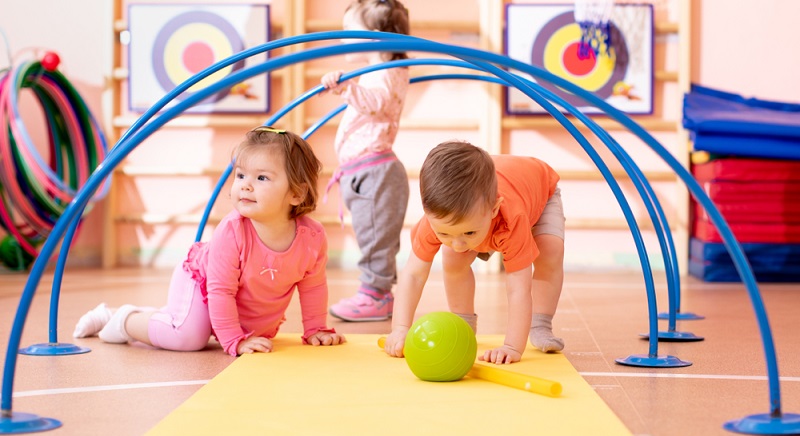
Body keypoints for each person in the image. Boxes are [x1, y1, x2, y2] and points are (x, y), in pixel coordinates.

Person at [74, 126, 346, 356]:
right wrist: (234, 341)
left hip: (237, 305)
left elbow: (313, 287)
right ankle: (121, 318)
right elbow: (220, 292)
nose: (246, 185)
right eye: (241, 175)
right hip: (201, 282)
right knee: (189, 338)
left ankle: (166, 316)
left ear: (296, 195)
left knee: (251, 332)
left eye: (261, 177)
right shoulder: (232, 230)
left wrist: (316, 329)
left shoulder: (312, 238)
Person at [383, 140, 565, 364]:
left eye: (468, 233)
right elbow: (413, 275)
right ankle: (464, 323)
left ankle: (541, 324)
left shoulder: (511, 219)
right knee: (452, 257)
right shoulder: (433, 223)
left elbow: (518, 287)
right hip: (496, 192)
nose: (458, 244)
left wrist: (512, 347)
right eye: (445, 234)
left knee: (550, 250)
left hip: (540, 193)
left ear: (494, 210)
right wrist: (400, 328)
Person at [320, 0, 411, 322]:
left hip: (376, 173)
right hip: (362, 172)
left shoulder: (387, 72)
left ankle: (376, 296)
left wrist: (345, 86)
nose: (343, 38)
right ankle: (377, 293)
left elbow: (377, 103)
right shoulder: (377, 73)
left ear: (374, 36)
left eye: (349, 31)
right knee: (370, 236)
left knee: (376, 240)